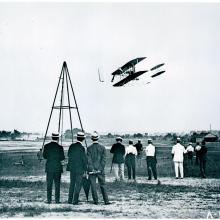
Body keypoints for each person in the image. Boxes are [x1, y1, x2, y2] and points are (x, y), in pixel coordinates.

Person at [87, 133, 111, 205]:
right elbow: (103, 160)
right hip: (100, 170)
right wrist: (100, 169)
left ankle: (96, 201)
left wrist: (92, 169)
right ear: (98, 138)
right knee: (103, 185)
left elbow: (89, 160)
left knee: (93, 186)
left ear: (92, 139)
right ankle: (106, 201)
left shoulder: (89, 148)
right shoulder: (102, 148)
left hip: (92, 170)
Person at [43, 133, 65, 204]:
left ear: (52, 137)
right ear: (58, 138)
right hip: (58, 168)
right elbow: (62, 158)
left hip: (49, 167)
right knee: (57, 184)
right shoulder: (60, 147)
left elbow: (44, 156)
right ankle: (57, 200)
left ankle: (49, 200)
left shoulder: (46, 146)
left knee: (49, 184)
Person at [67, 131, 87, 205]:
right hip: (79, 169)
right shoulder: (82, 148)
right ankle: (75, 200)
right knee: (78, 184)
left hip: (72, 168)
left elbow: (69, 155)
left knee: (72, 184)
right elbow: (84, 160)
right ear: (83, 139)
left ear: (77, 138)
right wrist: (85, 169)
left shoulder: (71, 146)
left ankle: (69, 200)